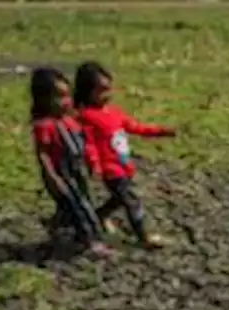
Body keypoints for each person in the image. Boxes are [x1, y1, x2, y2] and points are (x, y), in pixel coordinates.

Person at [72, 61, 177, 250]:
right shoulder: (86, 116)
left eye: (108, 89)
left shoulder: (113, 113)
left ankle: (97, 217)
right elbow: (89, 144)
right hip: (111, 170)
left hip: (124, 165)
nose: (107, 94)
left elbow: (135, 127)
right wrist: (94, 165)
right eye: (101, 90)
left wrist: (160, 131)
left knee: (119, 199)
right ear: (87, 91)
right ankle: (143, 236)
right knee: (131, 200)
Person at [29, 67, 113, 258]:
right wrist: (52, 176)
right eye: (59, 97)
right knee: (78, 207)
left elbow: (86, 139)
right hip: (61, 172)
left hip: (77, 170)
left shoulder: (70, 120)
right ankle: (91, 242)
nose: (65, 102)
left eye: (67, 96)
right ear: (43, 100)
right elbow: (43, 154)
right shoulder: (45, 126)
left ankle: (59, 226)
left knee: (79, 202)